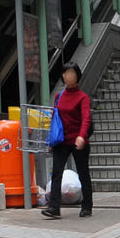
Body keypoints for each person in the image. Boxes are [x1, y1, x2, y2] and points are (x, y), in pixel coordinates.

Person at [41, 63, 93, 220]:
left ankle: (87, 206)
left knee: (83, 174)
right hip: (61, 141)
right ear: (63, 76)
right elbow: (55, 119)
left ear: (77, 76)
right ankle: (54, 208)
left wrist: (82, 136)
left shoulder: (83, 97)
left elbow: (86, 119)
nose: (69, 76)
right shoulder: (59, 96)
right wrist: (51, 141)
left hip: (78, 141)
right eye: (66, 73)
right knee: (56, 174)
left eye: (72, 73)